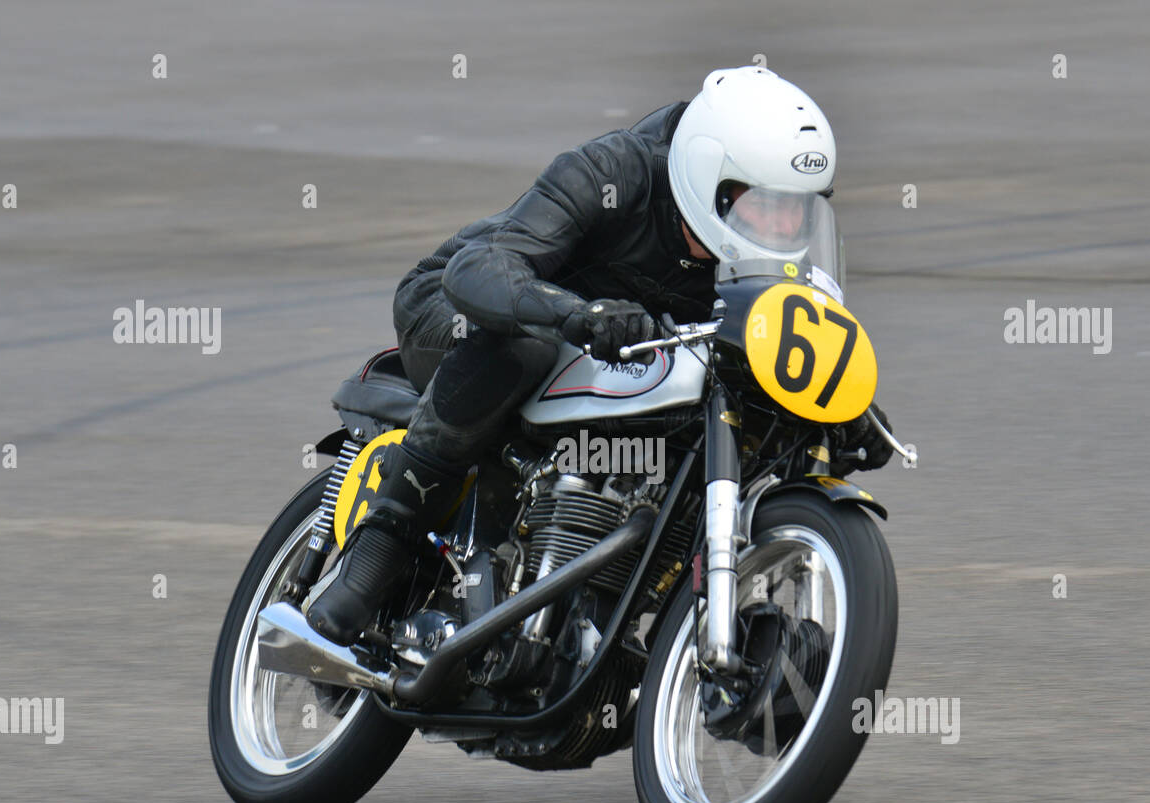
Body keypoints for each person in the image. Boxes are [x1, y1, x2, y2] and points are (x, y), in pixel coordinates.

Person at [306, 66, 894, 647]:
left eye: (799, 210)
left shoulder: (774, 257)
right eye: (763, 206)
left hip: (614, 355)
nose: (783, 226)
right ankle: (383, 542)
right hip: (465, 313)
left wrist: (843, 404)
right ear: (710, 179)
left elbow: (793, 338)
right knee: (527, 346)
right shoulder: (614, 172)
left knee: (759, 409)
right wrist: (575, 315)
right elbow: (480, 269)